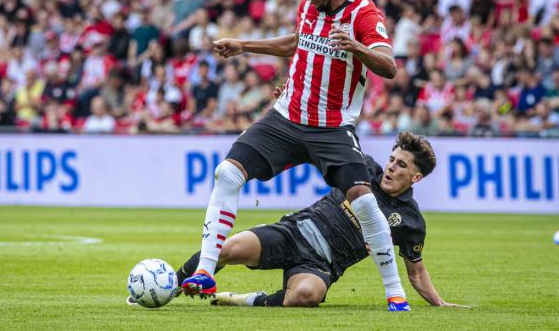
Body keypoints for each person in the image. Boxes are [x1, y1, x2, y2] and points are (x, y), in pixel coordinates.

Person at [181, 0, 408, 311]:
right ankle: (206, 271)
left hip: (332, 127)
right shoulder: (309, 7)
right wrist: (244, 46)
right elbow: (297, 42)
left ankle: (395, 294)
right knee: (227, 173)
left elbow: (388, 65)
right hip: (286, 118)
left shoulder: (364, 13)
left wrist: (356, 47)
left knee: (365, 203)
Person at [167, 132, 468, 308]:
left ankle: (244, 299)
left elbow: (416, 272)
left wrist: (439, 303)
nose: (391, 168)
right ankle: (170, 287)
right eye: (392, 159)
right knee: (226, 249)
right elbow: (318, 143)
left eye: (401, 165)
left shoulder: (410, 220)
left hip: (321, 265)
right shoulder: (362, 166)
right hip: (293, 232)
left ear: (415, 176)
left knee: (306, 295)